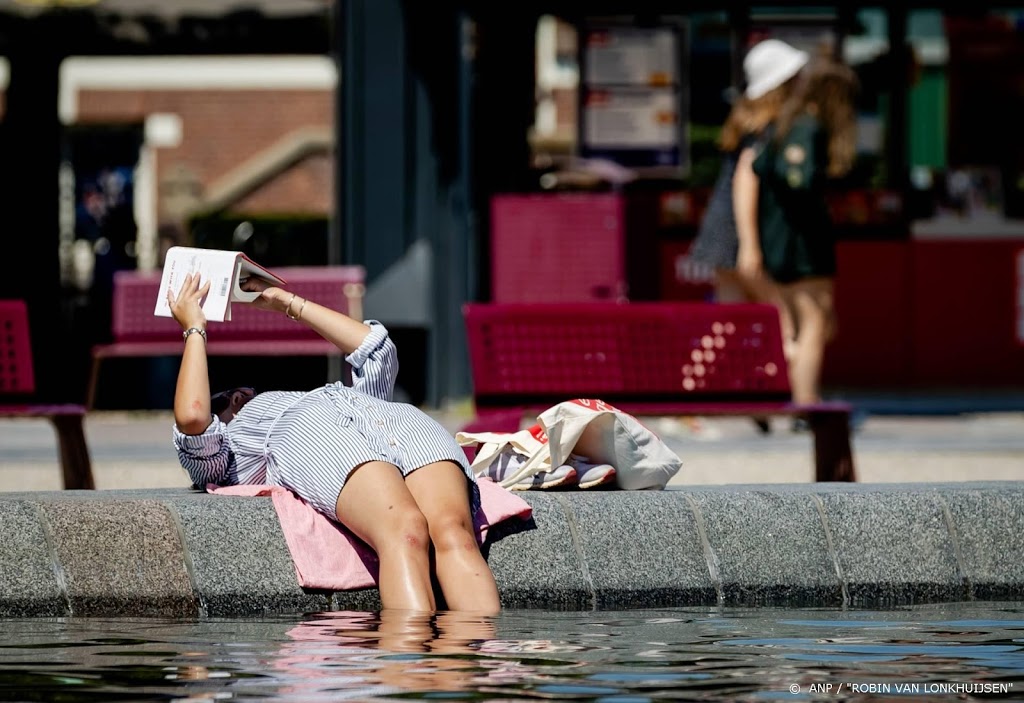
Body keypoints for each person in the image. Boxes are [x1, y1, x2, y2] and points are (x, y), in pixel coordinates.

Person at [167, 271, 501, 614]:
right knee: (405, 529)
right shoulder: (227, 451)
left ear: (239, 396)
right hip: (315, 434)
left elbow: (376, 350)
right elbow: (192, 418)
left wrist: (286, 303)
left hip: (396, 418)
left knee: (454, 533)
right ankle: (408, 666)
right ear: (238, 399)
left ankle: (477, 662)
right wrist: (194, 329)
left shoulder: (316, 396)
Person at [689, 38, 810, 433]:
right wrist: (752, 246)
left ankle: (685, 390)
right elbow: (746, 183)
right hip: (741, 236)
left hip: (720, 234)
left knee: (726, 323)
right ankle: (799, 401)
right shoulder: (767, 129)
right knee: (787, 321)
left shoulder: (743, 122)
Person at [733, 47, 858, 409]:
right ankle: (805, 403)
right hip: (802, 243)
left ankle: (784, 388)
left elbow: (756, 171)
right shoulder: (803, 127)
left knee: (808, 324)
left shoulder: (772, 129)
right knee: (814, 322)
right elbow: (799, 180)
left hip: (778, 239)